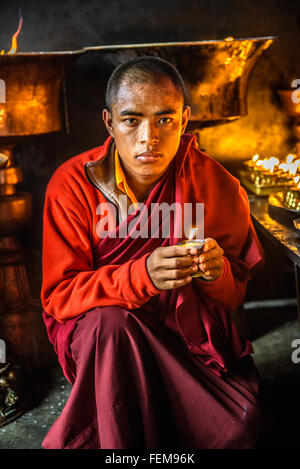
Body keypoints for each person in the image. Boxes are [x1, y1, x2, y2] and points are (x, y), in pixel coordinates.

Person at [41, 56, 265, 449]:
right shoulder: (74, 184)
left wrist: (216, 274)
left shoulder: (216, 184)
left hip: (186, 338)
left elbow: (233, 297)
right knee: (111, 324)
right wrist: (143, 275)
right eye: (132, 120)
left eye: (165, 119)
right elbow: (60, 296)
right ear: (109, 122)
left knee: (238, 430)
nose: (149, 137)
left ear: (184, 119)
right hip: (107, 343)